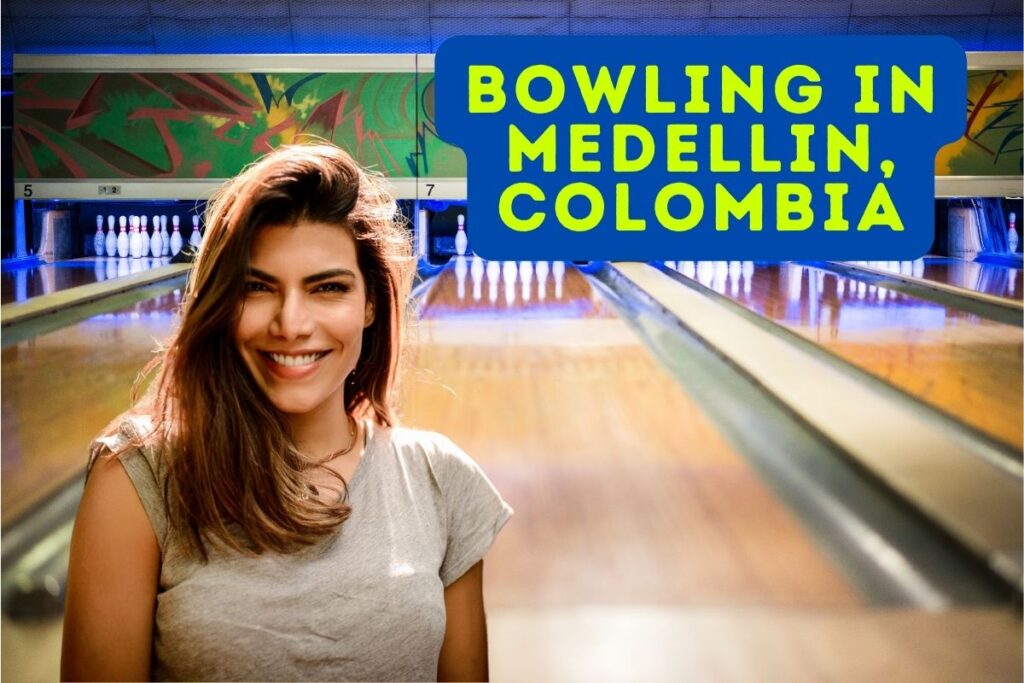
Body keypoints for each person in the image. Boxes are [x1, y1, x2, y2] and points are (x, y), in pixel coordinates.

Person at [61, 144, 513, 682]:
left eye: (328, 288)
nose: (291, 323)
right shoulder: (137, 480)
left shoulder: (442, 480)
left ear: (370, 303)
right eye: (257, 287)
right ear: (222, 302)